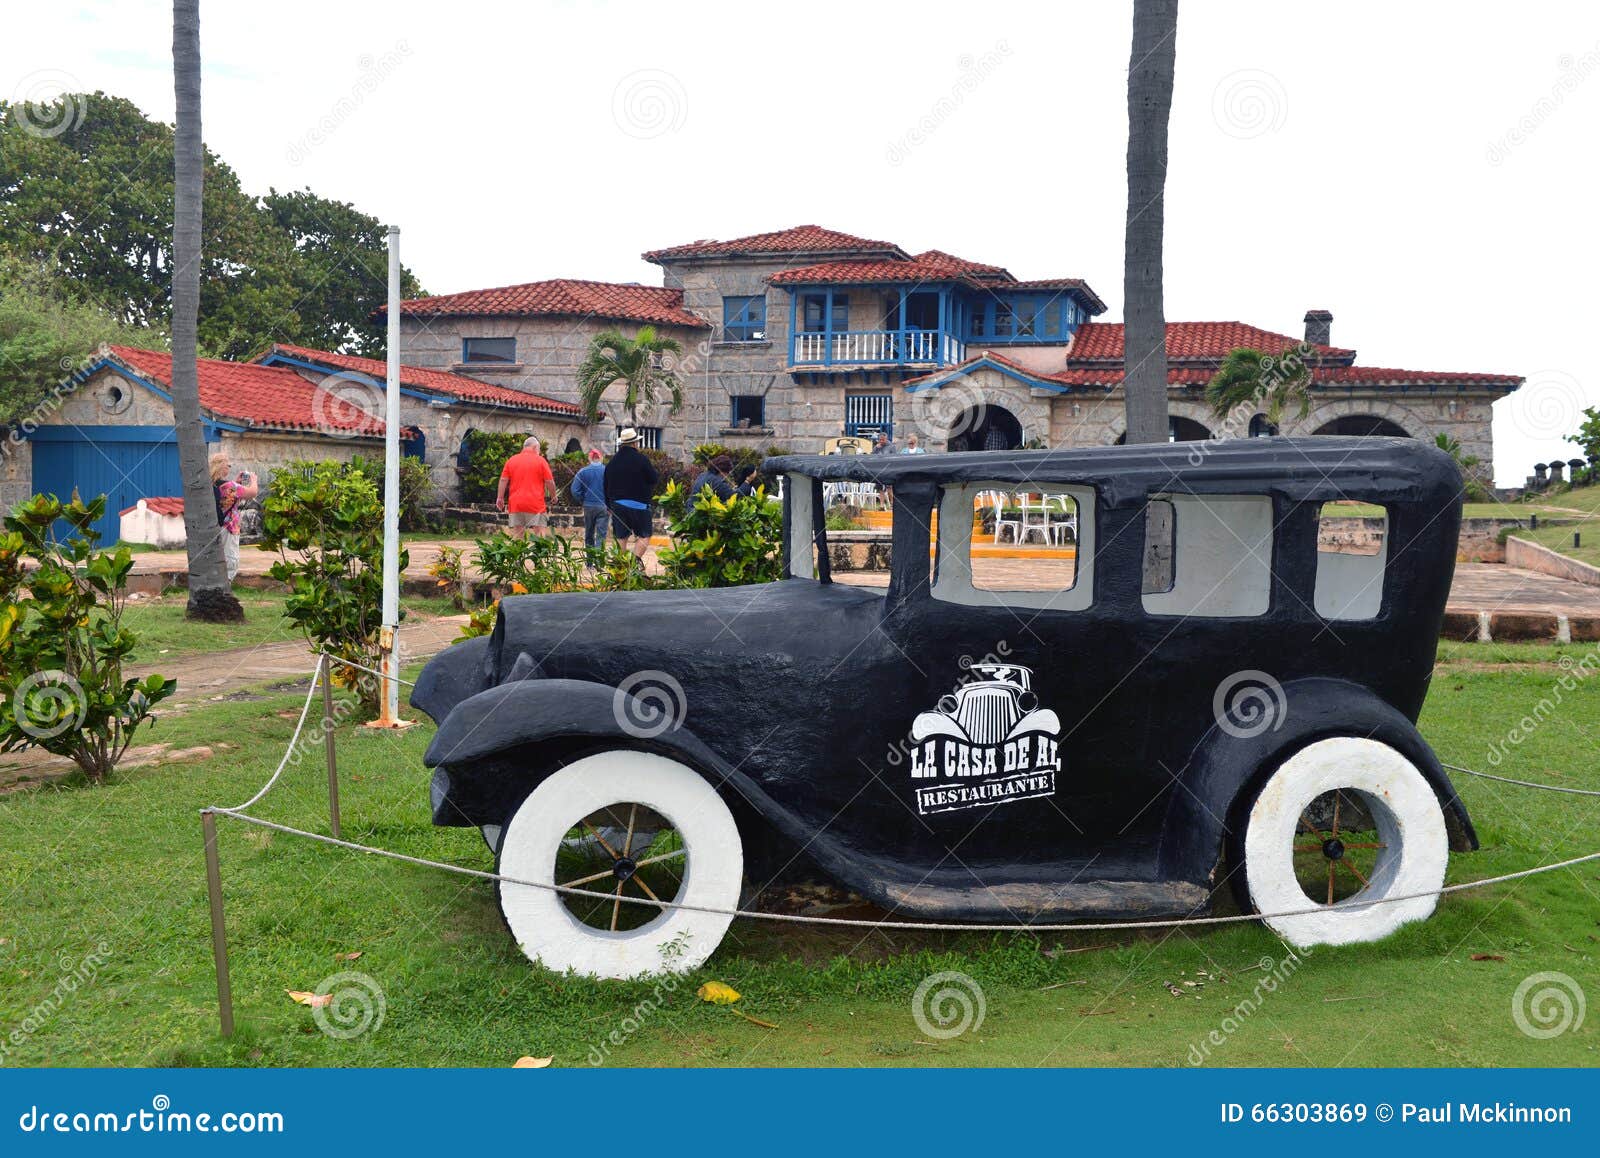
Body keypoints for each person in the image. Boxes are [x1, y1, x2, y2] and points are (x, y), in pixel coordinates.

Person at [603, 427, 659, 560]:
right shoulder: (642, 459)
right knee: (644, 535)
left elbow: (605, 485)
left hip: (617, 505)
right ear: (635, 443)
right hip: (639, 505)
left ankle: (620, 566)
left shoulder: (612, 463)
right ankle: (635, 561)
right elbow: (654, 479)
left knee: (621, 536)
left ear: (622, 444)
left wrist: (609, 505)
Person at [208, 451, 258, 581]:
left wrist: (237, 482)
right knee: (230, 560)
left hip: (215, 526)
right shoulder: (230, 486)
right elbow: (253, 492)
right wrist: (253, 479)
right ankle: (224, 589)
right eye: (228, 465)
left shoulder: (211, 484)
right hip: (229, 528)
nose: (229, 468)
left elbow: (226, 497)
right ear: (222, 467)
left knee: (217, 560)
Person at [496, 436, 556, 538]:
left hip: (516, 503)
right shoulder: (541, 461)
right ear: (535, 447)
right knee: (540, 534)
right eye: (539, 449)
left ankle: (518, 554)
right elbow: (549, 481)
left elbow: (503, 480)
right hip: (536, 503)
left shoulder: (512, 460)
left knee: (518, 536)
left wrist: (500, 498)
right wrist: (553, 496)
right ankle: (539, 553)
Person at [569, 447, 609, 550]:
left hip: (588, 506)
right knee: (601, 535)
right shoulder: (607, 471)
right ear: (601, 458)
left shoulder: (582, 472)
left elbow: (575, 490)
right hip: (603, 505)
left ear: (589, 458)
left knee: (589, 534)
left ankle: (590, 562)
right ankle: (598, 560)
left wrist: (582, 500)